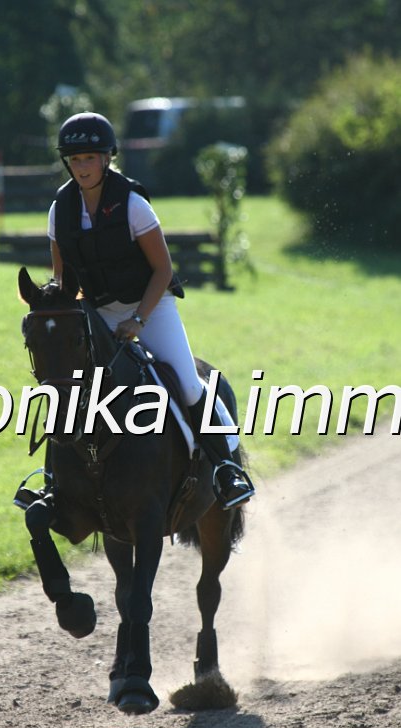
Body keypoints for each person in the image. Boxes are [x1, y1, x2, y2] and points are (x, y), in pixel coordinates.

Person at [47, 111, 254, 509]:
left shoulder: (133, 204)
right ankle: (50, 481)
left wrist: (139, 319)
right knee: (66, 391)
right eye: (75, 160)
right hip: (96, 314)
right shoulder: (60, 209)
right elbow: (61, 279)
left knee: (190, 384)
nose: (82, 167)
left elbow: (163, 269)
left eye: (90, 158)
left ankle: (226, 469)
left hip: (151, 305)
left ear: (107, 158)